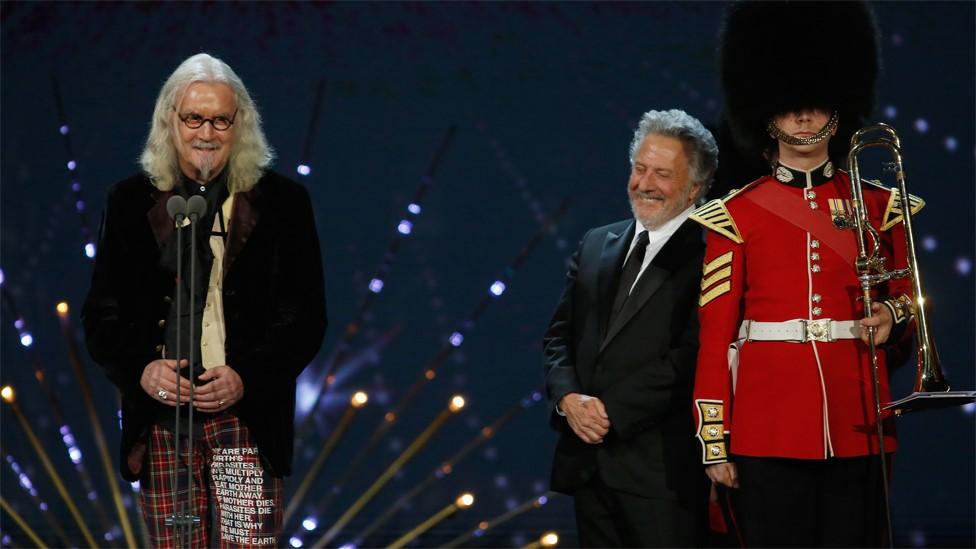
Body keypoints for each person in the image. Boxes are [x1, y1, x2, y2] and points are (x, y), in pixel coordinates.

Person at [691, 2, 920, 546]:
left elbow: (910, 296)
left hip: (859, 418)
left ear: (838, 108)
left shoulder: (880, 206)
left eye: (814, 103)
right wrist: (714, 439)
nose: (802, 117)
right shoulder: (737, 214)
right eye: (789, 106)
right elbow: (716, 336)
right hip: (768, 426)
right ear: (766, 114)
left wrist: (893, 311)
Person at [82, 53, 327, 547]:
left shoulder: (283, 202)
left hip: (246, 423)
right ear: (170, 120)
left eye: (220, 119)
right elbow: (101, 316)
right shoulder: (127, 202)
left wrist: (246, 377)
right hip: (162, 425)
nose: (206, 132)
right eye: (194, 118)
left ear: (241, 125)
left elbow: (305, 318)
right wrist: (141, 370)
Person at [544, 109, 717, 547]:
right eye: (639, 169)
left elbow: (694, 357)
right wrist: (569, 399)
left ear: (695, 187)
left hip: (661, 472)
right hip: (588, 465)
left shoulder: (713, 256)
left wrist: (610, 413)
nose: (644, 183)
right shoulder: (596, 243)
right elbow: (559, 335)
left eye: (662, 173)